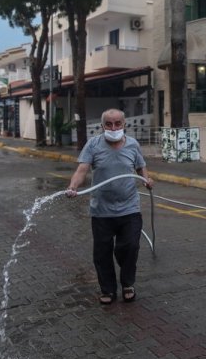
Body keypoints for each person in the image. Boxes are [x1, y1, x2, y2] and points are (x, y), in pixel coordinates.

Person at [65, 109, 153, 305]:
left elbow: (140, 166)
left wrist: (146, 179)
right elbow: (82, 170)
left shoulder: (133, 144)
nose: (114, 128)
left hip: (129, 208)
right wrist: (73, 186)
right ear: (102, 126)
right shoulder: (93, 145)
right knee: (102, 252)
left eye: (118, 123)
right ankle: (108, 289)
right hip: (101, 211)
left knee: (129, 247)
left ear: (124, 124)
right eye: (109, 124)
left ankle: (128, 283)